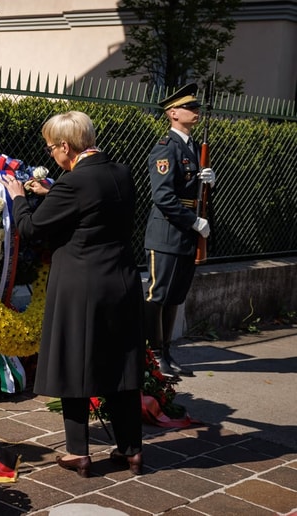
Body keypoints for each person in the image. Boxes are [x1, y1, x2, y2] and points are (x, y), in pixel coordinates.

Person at [1, 111, 145, 478]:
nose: (51, 154)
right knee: (122, 365)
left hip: (82, 285)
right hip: (122, 282)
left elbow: (31, 229)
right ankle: (131, 450)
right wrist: (53, 193)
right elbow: (95, 208)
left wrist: (18, 197)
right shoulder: (121, 172)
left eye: (51, 148)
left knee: (75, 363)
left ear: (66, 146)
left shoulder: (73, 182)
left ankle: (78, 452)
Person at [144, 83, 216, 379]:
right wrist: (194, 222)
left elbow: (193, 191)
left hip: (185, 233)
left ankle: (166, 351)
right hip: (167, 233)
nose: (196, 111)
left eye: (196, 107)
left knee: (175, 296)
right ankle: (152, 355)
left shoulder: (192, 147)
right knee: (158, 295)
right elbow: (163, 197)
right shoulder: (166, 148)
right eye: (189, 107)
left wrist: (210, 183)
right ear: (173, 113)